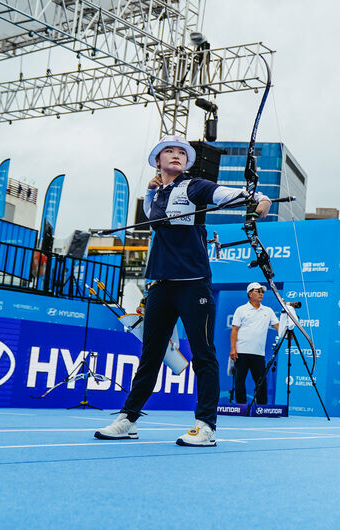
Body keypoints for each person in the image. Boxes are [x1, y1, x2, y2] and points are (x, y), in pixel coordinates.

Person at [96, 134, 270, 447]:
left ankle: (206, 426)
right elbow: (154, 215)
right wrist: (154, 188)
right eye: (169, 152)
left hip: (193, 283)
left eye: (181, 152)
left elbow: (230, 194)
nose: (176, 155)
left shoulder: (195, 186)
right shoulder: (153, 194)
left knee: (204, 354)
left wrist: (258, 199)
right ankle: (128, 419)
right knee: (150, 356)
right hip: (161, 284)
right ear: (158, 161)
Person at [230, 283, 278, 406]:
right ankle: (241, 406)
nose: (261, 293)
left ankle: (262, 406)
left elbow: (278, 327)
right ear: (250, 293)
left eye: (262, 292)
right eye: (258, 291)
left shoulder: (268, 310)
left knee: (261, 381)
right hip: (241, 352)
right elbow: (234, 330)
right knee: (240, 380)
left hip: (258, 353)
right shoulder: (241, 310)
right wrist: (233, 349)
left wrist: (288, 332)